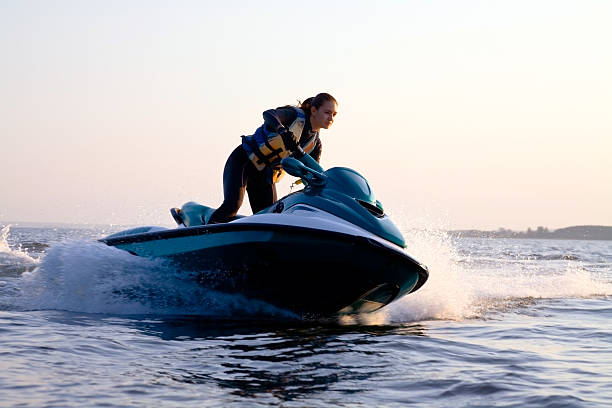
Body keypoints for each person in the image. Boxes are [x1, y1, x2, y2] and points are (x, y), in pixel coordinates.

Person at [207, 92, 338, 224]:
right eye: (327, 112)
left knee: (270, 219)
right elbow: (268, 114)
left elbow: (312, 175)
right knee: (232, 205)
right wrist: (282, 131)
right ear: (314, 110)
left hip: (265, 176)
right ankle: (203, 235)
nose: (331, 118)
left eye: (334, 114)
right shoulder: (294, 116)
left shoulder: (315, 144)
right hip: (244, 161)